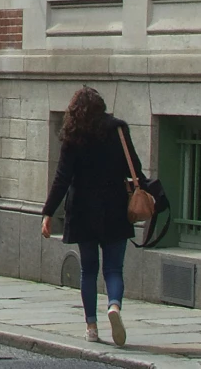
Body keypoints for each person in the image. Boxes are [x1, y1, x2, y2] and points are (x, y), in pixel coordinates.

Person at [42, 85, 141, 344]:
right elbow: (136, 169)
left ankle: (91, 328)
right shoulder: (118, 129)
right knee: (114, 269)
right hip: (116, 208)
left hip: (84, 210)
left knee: (88, 270)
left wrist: (48, 212)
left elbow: (62, 178)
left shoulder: (73, 135)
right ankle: (115, 306)